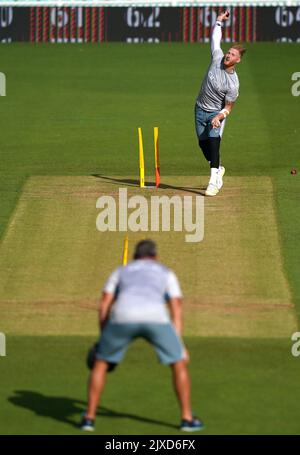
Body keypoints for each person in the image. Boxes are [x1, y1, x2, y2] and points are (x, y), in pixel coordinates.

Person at [80, 239, 204, 432]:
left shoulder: (121, 271)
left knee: (101, 363)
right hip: (156, 317)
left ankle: (89, 418)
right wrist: (178, 344)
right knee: (178, 363)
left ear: (135, 257)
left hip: (123, 315)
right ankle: (187, 419)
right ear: (155, 256)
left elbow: (104, 303)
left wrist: (103, 337)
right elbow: (176, 308)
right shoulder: (165, 272)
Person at [195, 10, 246, 196]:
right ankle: (219, 169)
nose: (228, 55)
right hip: (199, 108)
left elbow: (229, 107)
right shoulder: (217, 57)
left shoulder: (233, 83)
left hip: (215, 114)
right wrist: (218, 21)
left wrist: (219, 116)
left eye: (232, 55)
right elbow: (215, 40)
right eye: (228, 52)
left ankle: (213, 182)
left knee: (215, 143)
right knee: (203, 145)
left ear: (237, 60)